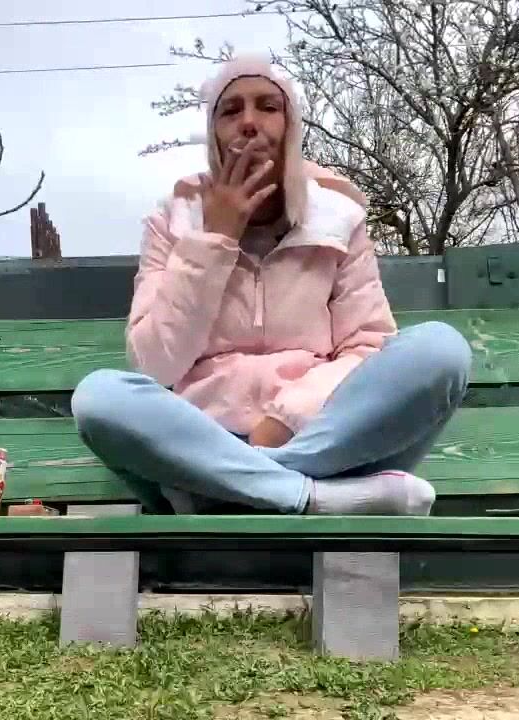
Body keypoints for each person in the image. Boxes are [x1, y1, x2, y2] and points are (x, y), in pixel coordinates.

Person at [71, 55, 472, 516]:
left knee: (441, 351)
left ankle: (225, 494)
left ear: (290, 127)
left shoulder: (339, 220)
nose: (248, 122)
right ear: (214, 135)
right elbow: (154, 365)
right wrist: (214, 240)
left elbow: (365, 348)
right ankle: (312, 499)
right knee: (99, 397)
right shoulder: (172, 222)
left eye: (267, 106)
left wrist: (283, 420)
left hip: (321, 439)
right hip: (201, 437)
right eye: (230, 110)